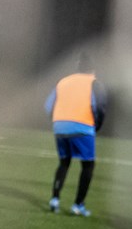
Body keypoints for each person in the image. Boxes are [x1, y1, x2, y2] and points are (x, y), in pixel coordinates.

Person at [44, 53, 107, 217]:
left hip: (60, 127)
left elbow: (48, 105)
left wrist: (58, 121)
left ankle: (55, 199)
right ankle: (78, 205)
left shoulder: (63, 81)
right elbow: (99, 107)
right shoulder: (94, 83)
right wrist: (97, 126)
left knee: (64, 163)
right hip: (83, 127)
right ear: (93, 69)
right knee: (88, 165)